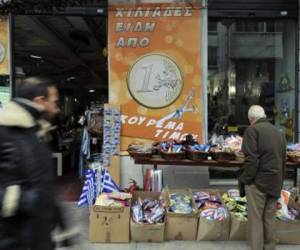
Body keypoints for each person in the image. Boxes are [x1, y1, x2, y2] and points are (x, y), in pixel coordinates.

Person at [0, 77, 60, 250]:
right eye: (54, 102)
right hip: (13, 239)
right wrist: (22, 200)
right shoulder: (5, 130)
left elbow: (43, 184)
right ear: (40, 101)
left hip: (39, 237)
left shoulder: (36, 132)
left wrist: (60, 222)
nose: (57, 108)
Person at [238, 105, 286, 250]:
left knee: (256, 219)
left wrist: (245, 179)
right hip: (275, 180)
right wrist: (280, 181)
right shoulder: (278, 132)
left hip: (258, 182)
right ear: (264, 115)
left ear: (250, 119)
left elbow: (251, 160)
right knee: (269, 218)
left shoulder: (252, 131)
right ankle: (270, 247)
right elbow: (283, 160)